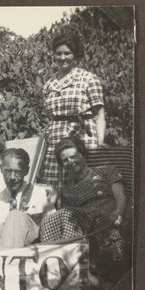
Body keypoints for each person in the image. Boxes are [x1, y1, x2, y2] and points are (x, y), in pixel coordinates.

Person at [40, 137, 127, 283]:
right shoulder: (66, 190)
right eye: (65, 160)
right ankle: (60, 264)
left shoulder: (106, 171)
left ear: (83, 155)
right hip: (85, 230)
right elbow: (67, 223)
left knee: (66, 213)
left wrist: (118, 213)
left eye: (73, 156)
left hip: (107, 217)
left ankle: (70, 266)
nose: (70, 162)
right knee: (52, 219)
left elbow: (121, 197)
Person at [40, 32, 106, 189]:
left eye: (67, 53)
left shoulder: (88, 79)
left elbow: (100, 115)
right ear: (54, 55)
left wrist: (100, 144)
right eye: (59, 53)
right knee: (54, 188)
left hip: (81, 138)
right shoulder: (49, 84)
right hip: (55, 141)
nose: (63, 58)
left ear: (75, 54)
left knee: (86, 185)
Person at [0, 148, 56, 250]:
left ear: (26, 171)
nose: (12, 177)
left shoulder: (39, 194)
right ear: (1, 169)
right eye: (8, 171)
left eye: (17, 172)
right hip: (4, 246)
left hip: (32, 249)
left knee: (15, 216)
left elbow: (52, 229)